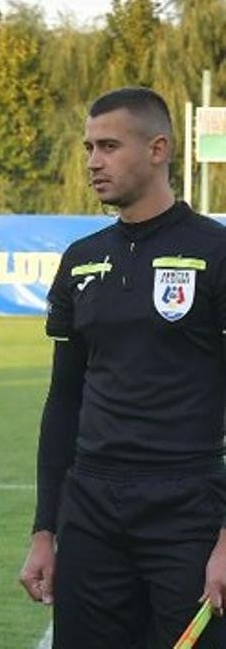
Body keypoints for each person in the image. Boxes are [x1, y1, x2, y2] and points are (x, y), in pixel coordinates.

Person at [19, 87, 226, 648]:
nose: (92, 161)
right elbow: (63, 399)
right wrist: (45, 530)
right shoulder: (82, 260)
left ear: (158, 149)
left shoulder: (215, 252)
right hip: (91, 509)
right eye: (88, 146)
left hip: (187, 505)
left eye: (108, 146)